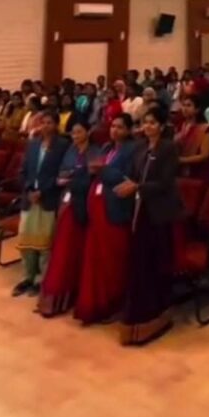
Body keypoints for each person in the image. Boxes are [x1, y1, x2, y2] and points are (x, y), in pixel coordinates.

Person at [114, 106, 180, 345]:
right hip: (138, 210)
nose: (148, 126)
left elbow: (165, 183)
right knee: (138, 264)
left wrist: (138, 187)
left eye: (153, 122)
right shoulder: (140, 147)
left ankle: (159, 312)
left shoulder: (169, 148)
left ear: (161, 126)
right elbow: (134, 174)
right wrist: (128, 184)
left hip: (158, 213)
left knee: (154, 262)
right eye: (145, 122)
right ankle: (138, 313)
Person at [74, 113, 136, 323]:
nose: (114, 130)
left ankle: (114, 303)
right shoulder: (106, 148)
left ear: (128, 130)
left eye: (120, 127)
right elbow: (94, 169)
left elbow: (129, 178)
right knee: (96, 259)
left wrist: (104, 170)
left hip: (115, 208)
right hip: (96, 207)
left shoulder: (132, 150)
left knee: (112, 259)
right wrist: (94, 170)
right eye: (112, 126)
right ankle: (95, 304)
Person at [37, 121, 97, 316]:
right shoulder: (70, 150)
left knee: (74, 249)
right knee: (62, 248)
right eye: (73, 133)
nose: (75, 136)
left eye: (79, 132)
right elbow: (62, 171)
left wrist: (74, 178)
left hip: (83, 202)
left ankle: (72, 293)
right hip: (66, 200)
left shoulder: (95, 151)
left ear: (88, 132)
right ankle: (54, 298)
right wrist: (63, 179)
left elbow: (93, 178)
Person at [14, 111, 69, 295]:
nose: (45, 126)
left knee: (45, 243)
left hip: (48, 198)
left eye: (49, 122)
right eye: (42, 122)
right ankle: (27, 277)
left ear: (56, 125)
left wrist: (42, 191)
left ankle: (41, 279)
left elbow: (62, 173)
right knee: (25, 240)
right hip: (29, 198)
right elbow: (23, 171)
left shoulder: (63, 146)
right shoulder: (33, 144)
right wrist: (29, 190)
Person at [174, 95, 209, 185]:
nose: (185, 108)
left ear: (197, 109)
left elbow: (204, 155)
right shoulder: (181, 126)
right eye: (183, 105)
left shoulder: (205, 128)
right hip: (181, 171)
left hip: (199, 173)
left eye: (189, 105)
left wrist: (181, 160)